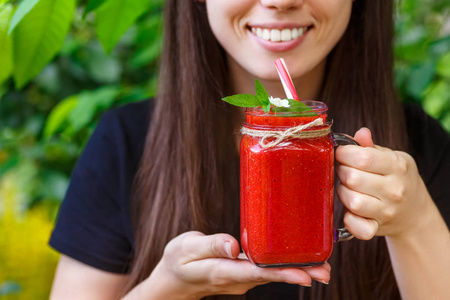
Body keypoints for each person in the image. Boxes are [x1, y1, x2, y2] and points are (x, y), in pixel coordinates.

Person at [49, 0, 450, 299]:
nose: (279, 1)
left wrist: (415, 221)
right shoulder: (125, 143)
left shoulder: (417, 148)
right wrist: (165, 289)